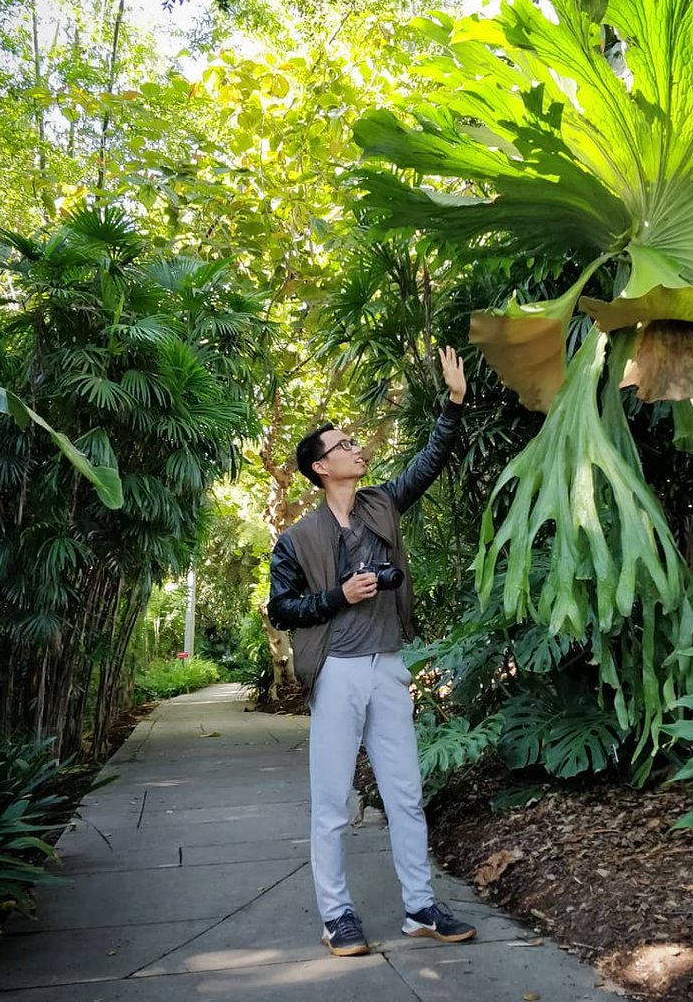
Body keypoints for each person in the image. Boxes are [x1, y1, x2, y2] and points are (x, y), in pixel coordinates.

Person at [268, 346, 476, 957]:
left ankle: (419, 908)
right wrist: (339, 595)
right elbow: (283, 608)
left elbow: (429, 462)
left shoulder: (382, 503)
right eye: (342, 446)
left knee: (405, 794)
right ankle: (337, 917)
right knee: (332, 803)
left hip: (388, 666)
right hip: (336, 673)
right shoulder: (298, 537)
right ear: (320, 469)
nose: (356, 449)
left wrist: (454, 403)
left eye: (353, 442)